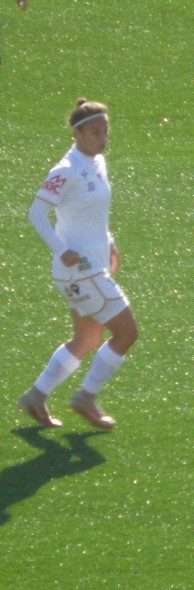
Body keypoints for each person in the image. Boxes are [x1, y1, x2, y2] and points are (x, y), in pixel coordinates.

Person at [18, 98, 139, 430]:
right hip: (81, 270)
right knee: (127, 332)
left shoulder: (97, 162)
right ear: (78, 133)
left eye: (106, 132)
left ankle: (36, 396)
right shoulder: (65, 170)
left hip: (91, 266)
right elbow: (36, 214)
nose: (103, 139)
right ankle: (86, 397)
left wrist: (110, 240)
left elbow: (92, 212)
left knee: (86, 338)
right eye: (96, 133)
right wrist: (61, 249)